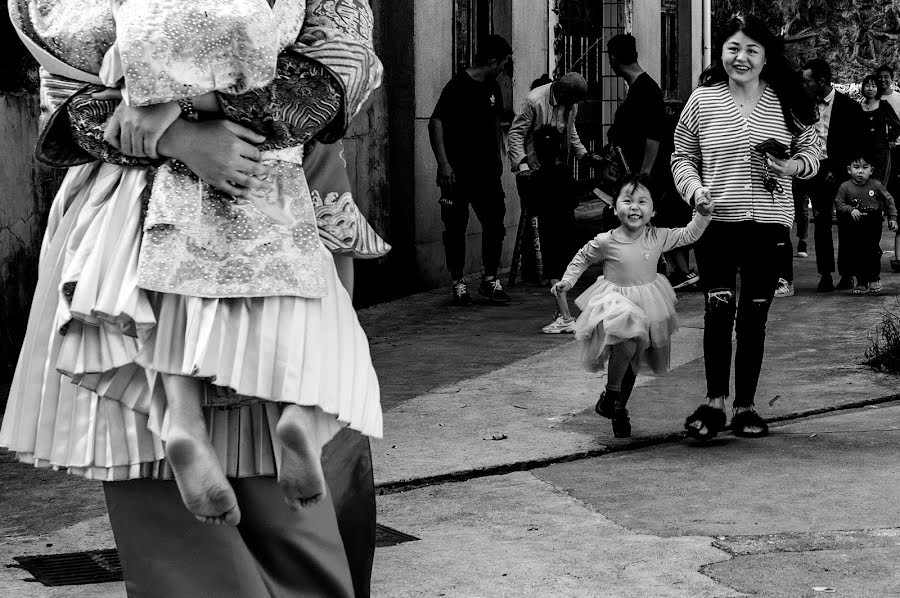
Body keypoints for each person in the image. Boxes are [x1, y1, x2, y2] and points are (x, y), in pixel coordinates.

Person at [5, 0, 383, 595]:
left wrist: (167, 113)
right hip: (157, 235)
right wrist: (179, 133)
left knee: (293, 516)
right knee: (176, 500)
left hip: (263, 212)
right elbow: (62, 103)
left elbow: (338, 84)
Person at [672, 13, 820, 440]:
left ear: (765, 55)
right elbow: (682, 156)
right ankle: (714, 402)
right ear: (721, 54)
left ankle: (746, 407)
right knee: (718, 311)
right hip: (716, 223)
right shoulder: (703, 100)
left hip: (770, 227)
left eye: (752, 50)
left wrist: (793, 165)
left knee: (754, 317)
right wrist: (695, 191)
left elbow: (814, 147)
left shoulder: (784, 99)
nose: (742, 57)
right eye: (734, 48)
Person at [551, 174, 713, 437]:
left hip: (648, 299)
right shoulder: (606, 240)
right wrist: (568, 281)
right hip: (614, 301)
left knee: (634, 358)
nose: (634, 206)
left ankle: (617, 407)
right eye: (627, 200)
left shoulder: (658, 236)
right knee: (627, 340)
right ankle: (612, 395)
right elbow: (582, 258)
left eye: (642, 201)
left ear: (653, 210)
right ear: (615, 208)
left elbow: (689, 234)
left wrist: (703, 214)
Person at [508, 71, 598, 333]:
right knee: (547, 232)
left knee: (564, 229)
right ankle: (552, 285)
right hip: (536, 170)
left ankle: (562, 290)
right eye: (571, 102)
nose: (572, 107)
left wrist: (584, 156)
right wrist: (523, 166)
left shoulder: (572, 105)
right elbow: (515, 135)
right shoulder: (535, 101)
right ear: (562, 92)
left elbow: (571, 133)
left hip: (559, 169)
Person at [429, 34, 513, 306]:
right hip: (456, 175)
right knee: (455, 226)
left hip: (488, 174)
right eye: (504, 63)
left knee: (495, 224)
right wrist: (443, 164)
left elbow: (495, 125)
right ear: (492, 61)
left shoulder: (493, 88)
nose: (504, 68)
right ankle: (458, 283)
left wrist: (500, 158)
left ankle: (490, 280)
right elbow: (435, 123)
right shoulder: (457, 86)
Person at [802, 58, 864, 292]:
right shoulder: (806, 105)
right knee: (821, 223)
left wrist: (839, 171)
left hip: (841, 173)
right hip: (815, 171)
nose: (805, 85)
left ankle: (847, 274)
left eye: (808, 81)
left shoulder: (849, 107)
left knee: (847, 223)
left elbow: (856, 144)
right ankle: (825, 274)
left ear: (822, 81)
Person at [834, 151, 898, 295]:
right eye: (856, 167)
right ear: (849, 169)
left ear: (871, 170)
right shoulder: (845, 187)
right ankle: (862, 282)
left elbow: (889, 201)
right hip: (855, 225)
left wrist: (892, 218)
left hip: (873, 222)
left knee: (873, 251)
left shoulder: (876, 185)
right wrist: (850, 209)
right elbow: (838, 203)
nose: (860, 171)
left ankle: (874, 279)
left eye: (865, 167)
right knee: (857, 253)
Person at [875, 64, 900, 273]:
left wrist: (892, 139)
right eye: (879, 77)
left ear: (892, 78)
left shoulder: (898, 99)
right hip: (878, 157)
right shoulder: (872, 99)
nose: (882, 81)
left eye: (886, 77)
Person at [859, 74, 900, 185]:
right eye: (867, 86)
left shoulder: (884, 105)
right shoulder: (858, 107)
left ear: (877, 88)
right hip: (863, 151)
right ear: (863, 88)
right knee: (864, 184)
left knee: (879, 185)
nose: (870, 89)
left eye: (873, 86)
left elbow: (896, 124)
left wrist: (891, 138)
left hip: (881, 151)